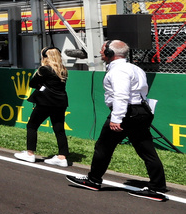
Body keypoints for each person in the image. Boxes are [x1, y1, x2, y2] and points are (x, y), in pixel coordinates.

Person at [67, 40, 168, 200]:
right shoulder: (134, 68)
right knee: (146, 150)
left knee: (103, 147)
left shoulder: (118, 71)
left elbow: (121, 95)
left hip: (126, 113)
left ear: (109, 54)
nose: (100, 53)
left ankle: (93, 180)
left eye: (102, 50)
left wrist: (116, 118)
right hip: (141, 111)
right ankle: (157, 187)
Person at [15, 47, 71, 167]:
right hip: (60, 102)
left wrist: (41, 85)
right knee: (59, 129)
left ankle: (30, 153)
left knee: (32, 126)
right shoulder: (63, 70)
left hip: (46, 102)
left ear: (46, 57)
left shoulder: (44, 69)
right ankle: (62, 156)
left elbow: (32, 83)